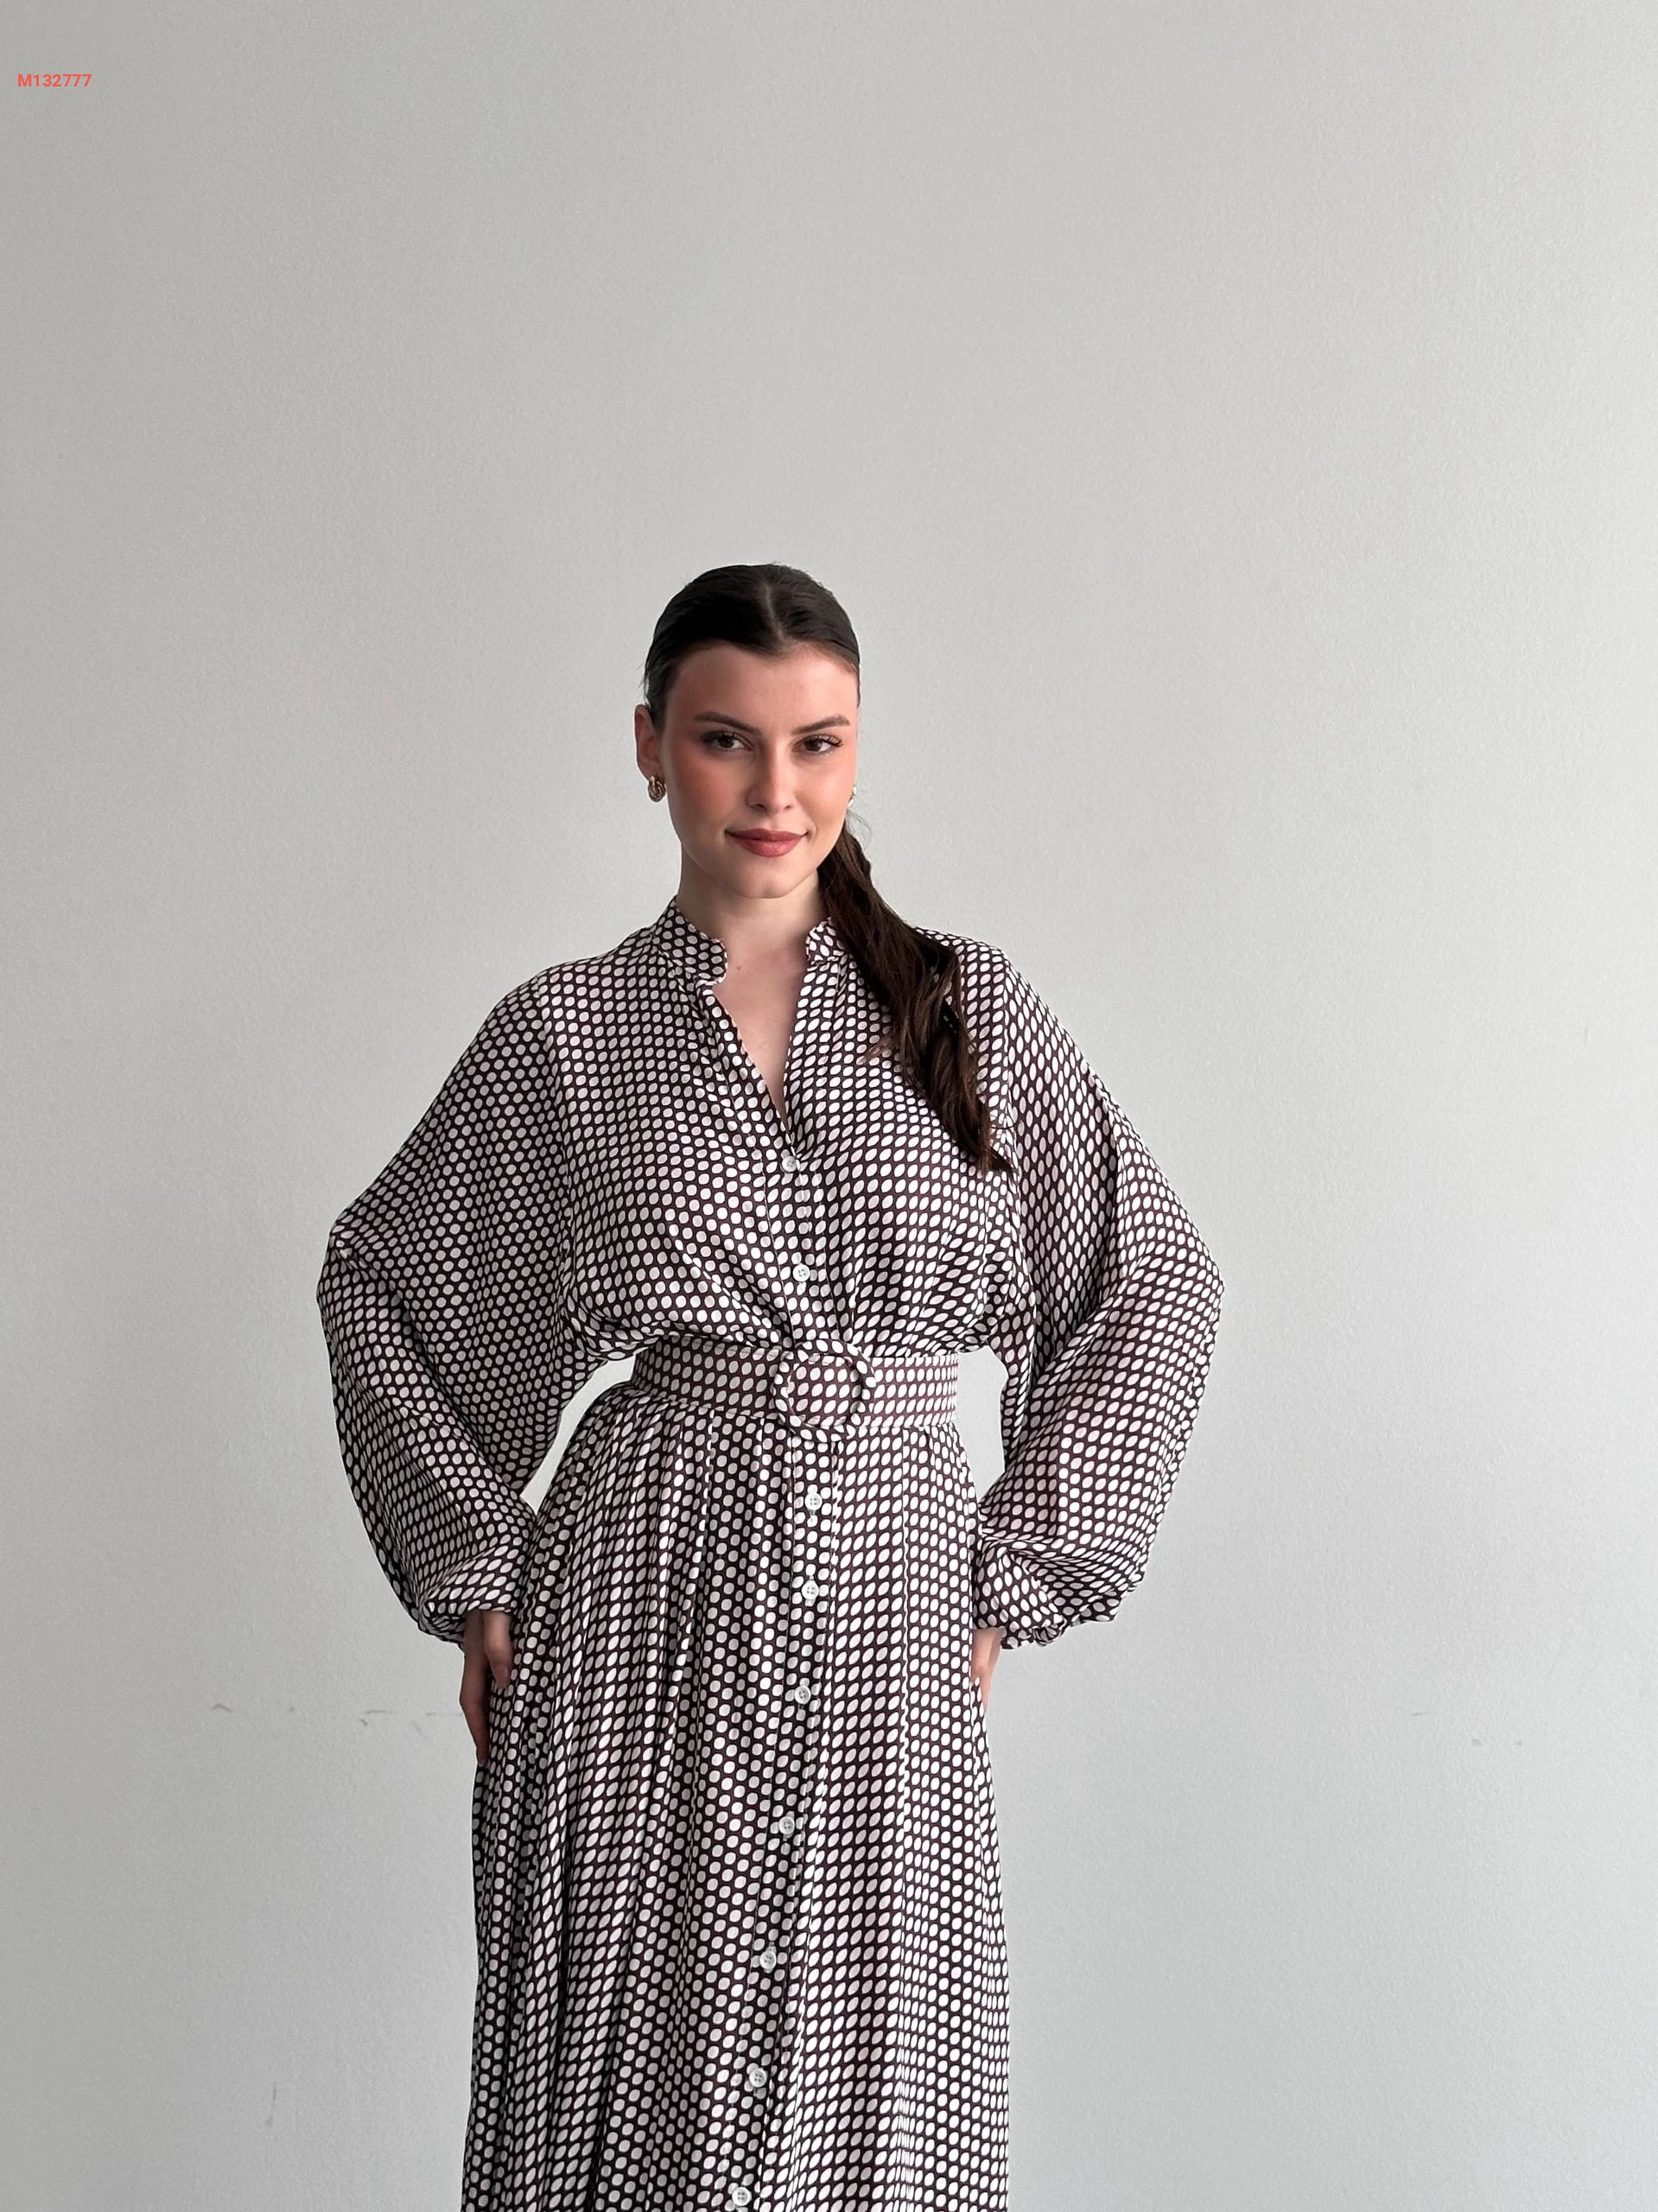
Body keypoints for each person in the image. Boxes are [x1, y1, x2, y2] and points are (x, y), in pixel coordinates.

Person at [314, 561, 1223, 2212]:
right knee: (630, 2083)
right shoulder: (569, 1035)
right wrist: (476, 1573)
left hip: (890, 1602)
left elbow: (1150, 1281)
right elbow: (384, 1281)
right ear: (649, 747)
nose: (775, 790)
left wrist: (1011, 1576)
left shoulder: (965, 1007)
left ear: (859, 751)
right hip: (637, 1601)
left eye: (819, 742)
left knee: (874, 2094)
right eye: (727, 740)